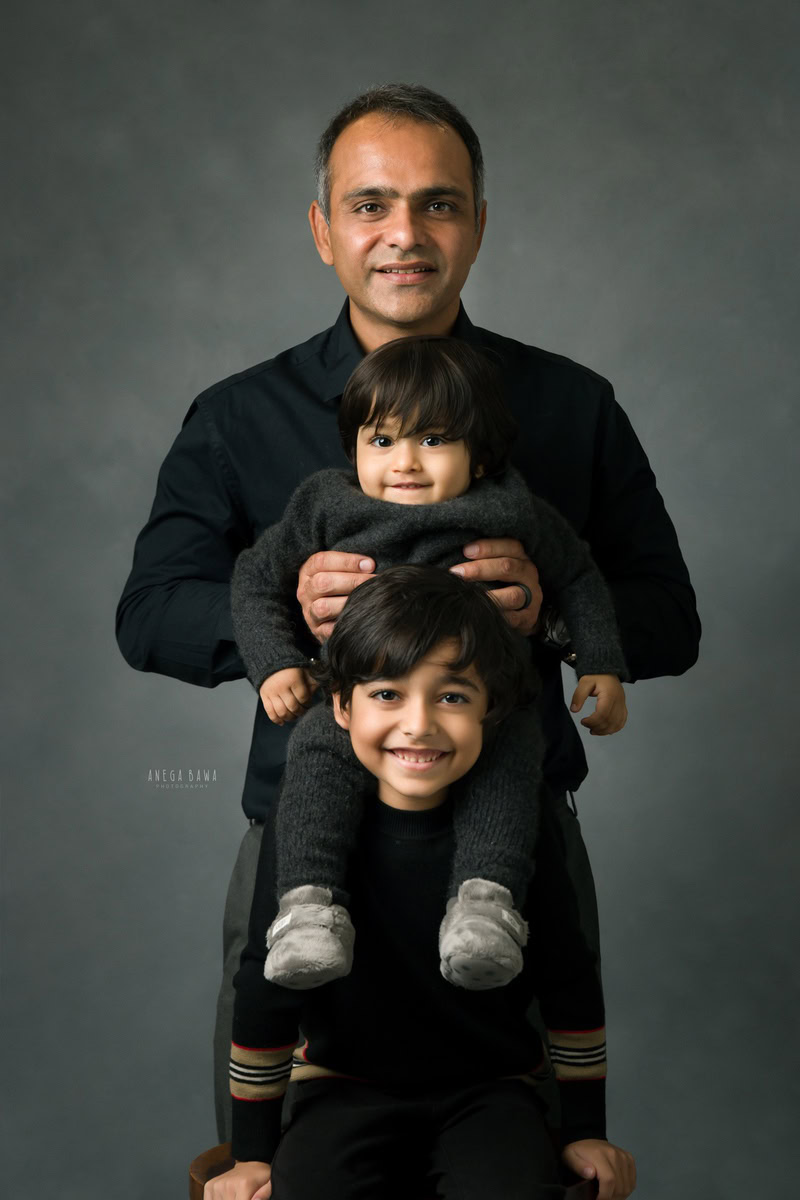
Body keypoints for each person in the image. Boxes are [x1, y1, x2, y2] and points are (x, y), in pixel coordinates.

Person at [115, 83, 700, 1140]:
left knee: (529, 1147)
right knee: (283, 1154)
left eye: (437, 204)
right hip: (306, 842)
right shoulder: (240, 415)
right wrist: (284, 620)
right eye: (369, 204)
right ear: (321, 230)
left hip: (513, 838)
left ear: (477, 223)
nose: (403, 235)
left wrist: (556, 616)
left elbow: (669, 616)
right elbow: (148, 613)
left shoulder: (573, 406)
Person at [206, 566, 637, 1200]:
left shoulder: (524, 823)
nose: (420, 724)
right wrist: (250, 1153)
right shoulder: (306, 831)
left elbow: (568, 976)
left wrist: (585, 1130)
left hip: (491, 1090)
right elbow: (262, 986)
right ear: (340, 706)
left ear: (491, 708)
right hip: (339, 1087)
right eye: (387, 694)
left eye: (453, 696)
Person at [230, 334, 628, 993]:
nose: (405, 463)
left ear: (480, 452)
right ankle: (307, 909)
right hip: (360, 706)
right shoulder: (327, 508)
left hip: (483, 704)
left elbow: (581, 577)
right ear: (352, 444)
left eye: (434, 439)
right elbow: (254, 580)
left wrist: (601, 664)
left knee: (508, 770)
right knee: (314, 768)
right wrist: (275, 664)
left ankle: (485, 908)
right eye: (381, 441)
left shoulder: (508, 509)